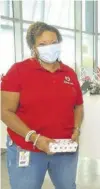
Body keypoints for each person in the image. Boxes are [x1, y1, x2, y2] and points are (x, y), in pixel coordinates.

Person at [1, 22, 84, 189]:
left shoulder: (69, 73)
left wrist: (76, 129)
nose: (49, 47)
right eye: (42, 44)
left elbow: (78, 106)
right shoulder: (18, 71)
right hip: (27, 148)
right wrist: (34, 138)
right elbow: (5, 112)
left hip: (64, 149)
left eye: (53, 43)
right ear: (34, 48)